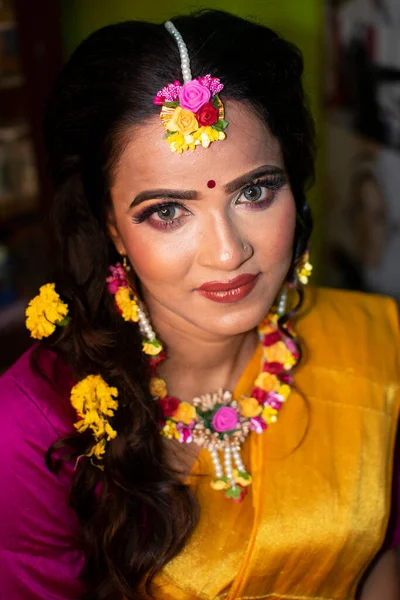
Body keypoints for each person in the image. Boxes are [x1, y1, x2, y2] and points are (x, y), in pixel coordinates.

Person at [0, 9, 399, 600]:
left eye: (256, 191)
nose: (228, 252)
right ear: (111, 225)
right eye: (167, 210)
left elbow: (378, 563)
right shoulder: (33, 425)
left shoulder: (375, 341)